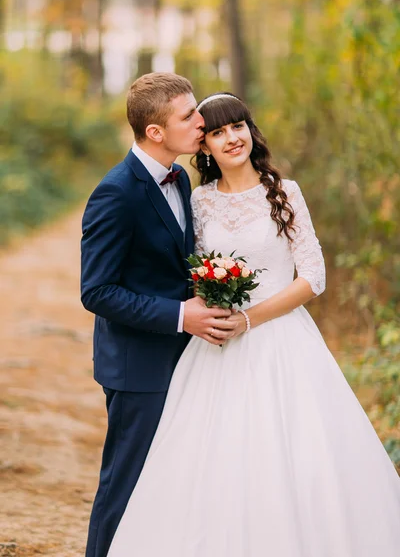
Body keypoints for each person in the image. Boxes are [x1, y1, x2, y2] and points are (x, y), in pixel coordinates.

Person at [106, 91, 400, 557]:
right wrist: (212, 309)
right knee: (213, 462)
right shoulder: (198, 200)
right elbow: (194, 272)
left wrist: (248, 319)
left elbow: (314, 277)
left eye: (237, 126)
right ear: (204, 146)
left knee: (298, 456)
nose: (231, 138)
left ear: (250, 130)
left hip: (282, 340)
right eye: (217, 132)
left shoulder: (284, 192)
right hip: (216, 346)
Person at [81, 77, 238, 557]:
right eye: (189, 116)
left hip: (185, 361)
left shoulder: (182, 177)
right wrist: (179, 316)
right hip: (138, 367)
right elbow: (97, 291)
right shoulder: (116, 194)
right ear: (154, 131)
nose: (201, 122)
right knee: (125, 486)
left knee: (168, 486)